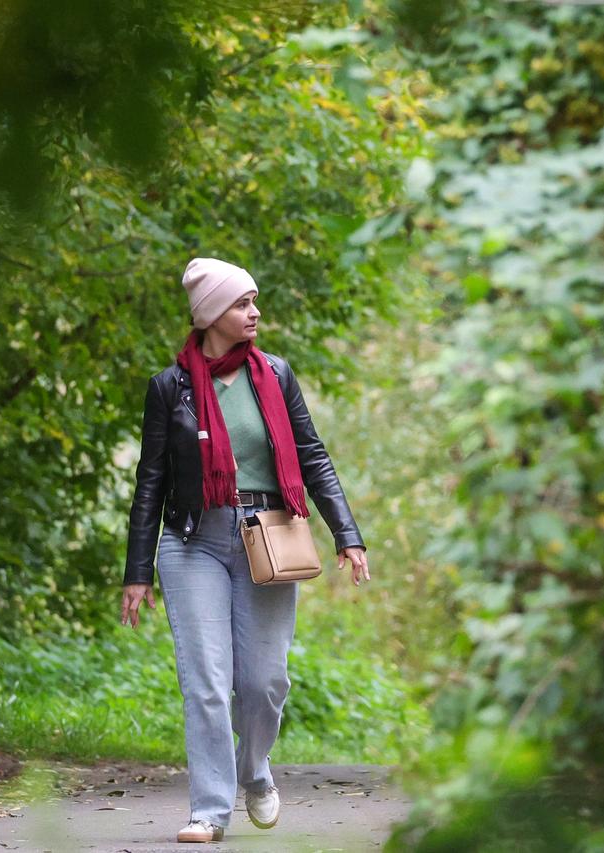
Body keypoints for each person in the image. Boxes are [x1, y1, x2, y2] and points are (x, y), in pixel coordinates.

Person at [119, 257, 370, 844]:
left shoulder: (275, 375)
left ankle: (254, 770)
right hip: (192, 543)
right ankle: (209, 810)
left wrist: (348, 534)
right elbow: (149, 482)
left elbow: (313, 458)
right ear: (210, 314)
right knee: (206, 681)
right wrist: (137, 573)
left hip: (270, 536)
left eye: (254, 302)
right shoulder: (169, 388)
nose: (254, 313)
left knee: (263, 684)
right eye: (241, 304)